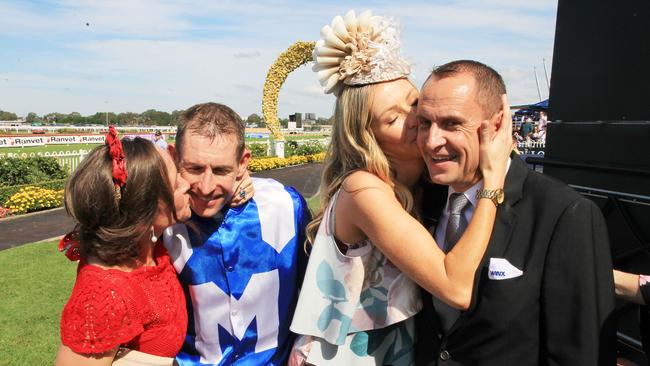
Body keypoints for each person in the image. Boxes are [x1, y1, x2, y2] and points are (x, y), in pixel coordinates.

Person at [288, 10, 512, 365]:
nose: (414, 119)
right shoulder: (364, 190)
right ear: (366, 137)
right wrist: (494, 179)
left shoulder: (425, 184)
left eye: (413, 103)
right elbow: (456, 287)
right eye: (392, 118)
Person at [415, 60, 616, 365]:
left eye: (452, 124)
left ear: (496, 125)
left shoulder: (564, 214)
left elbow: (580, 352)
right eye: (425, 123)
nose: (431, 141)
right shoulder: (419, 201)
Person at [162, 102, 311, 365]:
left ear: (243, 163)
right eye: (194, 168)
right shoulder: (158, 218)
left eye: (221, 170)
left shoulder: (287, 206)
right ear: (173, 158)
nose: (206, 187)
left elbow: (317, 291)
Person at [55, 127, 192, 365]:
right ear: (146, 209)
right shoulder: (104, 294)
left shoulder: (151, 248)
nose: (187, 184)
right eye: (176, 182)